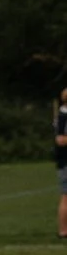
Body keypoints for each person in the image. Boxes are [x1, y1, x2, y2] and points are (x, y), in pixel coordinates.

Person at [54, 87, 67, 241]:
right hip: (66, 162)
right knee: (65, 197)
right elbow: (60, 140)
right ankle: (63, 231)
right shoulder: (63, 116)